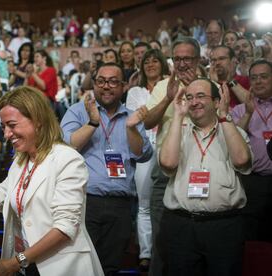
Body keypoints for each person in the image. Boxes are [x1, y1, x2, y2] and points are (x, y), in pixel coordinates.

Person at [0, 86, 104, 276]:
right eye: (4, 127)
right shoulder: (21, 163)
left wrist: (17, 261)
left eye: (12, 125)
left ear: (37, 121)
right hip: (29, 265)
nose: (6, 134)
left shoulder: (67, 159)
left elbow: (64, 228)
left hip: (62, 266)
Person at [61, 62, 152, 275]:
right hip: (84, 202)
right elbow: (67, 146)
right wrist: (93, 123)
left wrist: (131, 127)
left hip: (120, 205)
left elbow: (143, 153)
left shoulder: (132, 116)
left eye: (113, 81)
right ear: (94, 84)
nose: (106, 86)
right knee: (81, 266)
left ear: (123, 87)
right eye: (101, 81)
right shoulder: (77, 111)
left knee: (110, 267)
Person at [159, 78, 252, 276]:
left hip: (224, 226)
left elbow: (242, 161)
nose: (194, 102)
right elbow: (167, 163)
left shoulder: (233, 132)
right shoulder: (178, 132)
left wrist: (224, 117)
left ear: (217, 102)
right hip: (181, 226)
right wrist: (177, 116)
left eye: (201, 96)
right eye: (189, 97)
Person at [143, 37, 200, 276]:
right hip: (165, 171)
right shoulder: (162, 86)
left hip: (199, 170)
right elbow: (147, 122)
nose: (183, 64)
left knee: (193, 246)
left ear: (198, 60)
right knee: (161, 244)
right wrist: (169, 97)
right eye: (178, 59)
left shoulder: (209, 87)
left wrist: (196, 92)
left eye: (187, 58)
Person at [125, 49, 169, 272]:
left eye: (155, 61)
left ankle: (164, 249)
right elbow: (137, 120)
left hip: (169, 142)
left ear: (163, 64)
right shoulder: (135, 91)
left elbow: (147, 115)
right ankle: (145, 253)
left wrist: (149, 113)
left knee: (166, 201)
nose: (151, 65)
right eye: (147, 62)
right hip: (144, 146)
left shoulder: (171, 85)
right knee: (144, 203)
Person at [232, 59, 272, 242]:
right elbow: (234, 141)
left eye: (264, 77)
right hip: (252, 183)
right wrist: (248, 114)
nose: (258, 81)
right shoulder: (240, 110)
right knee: (252, 239)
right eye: (254, 78)